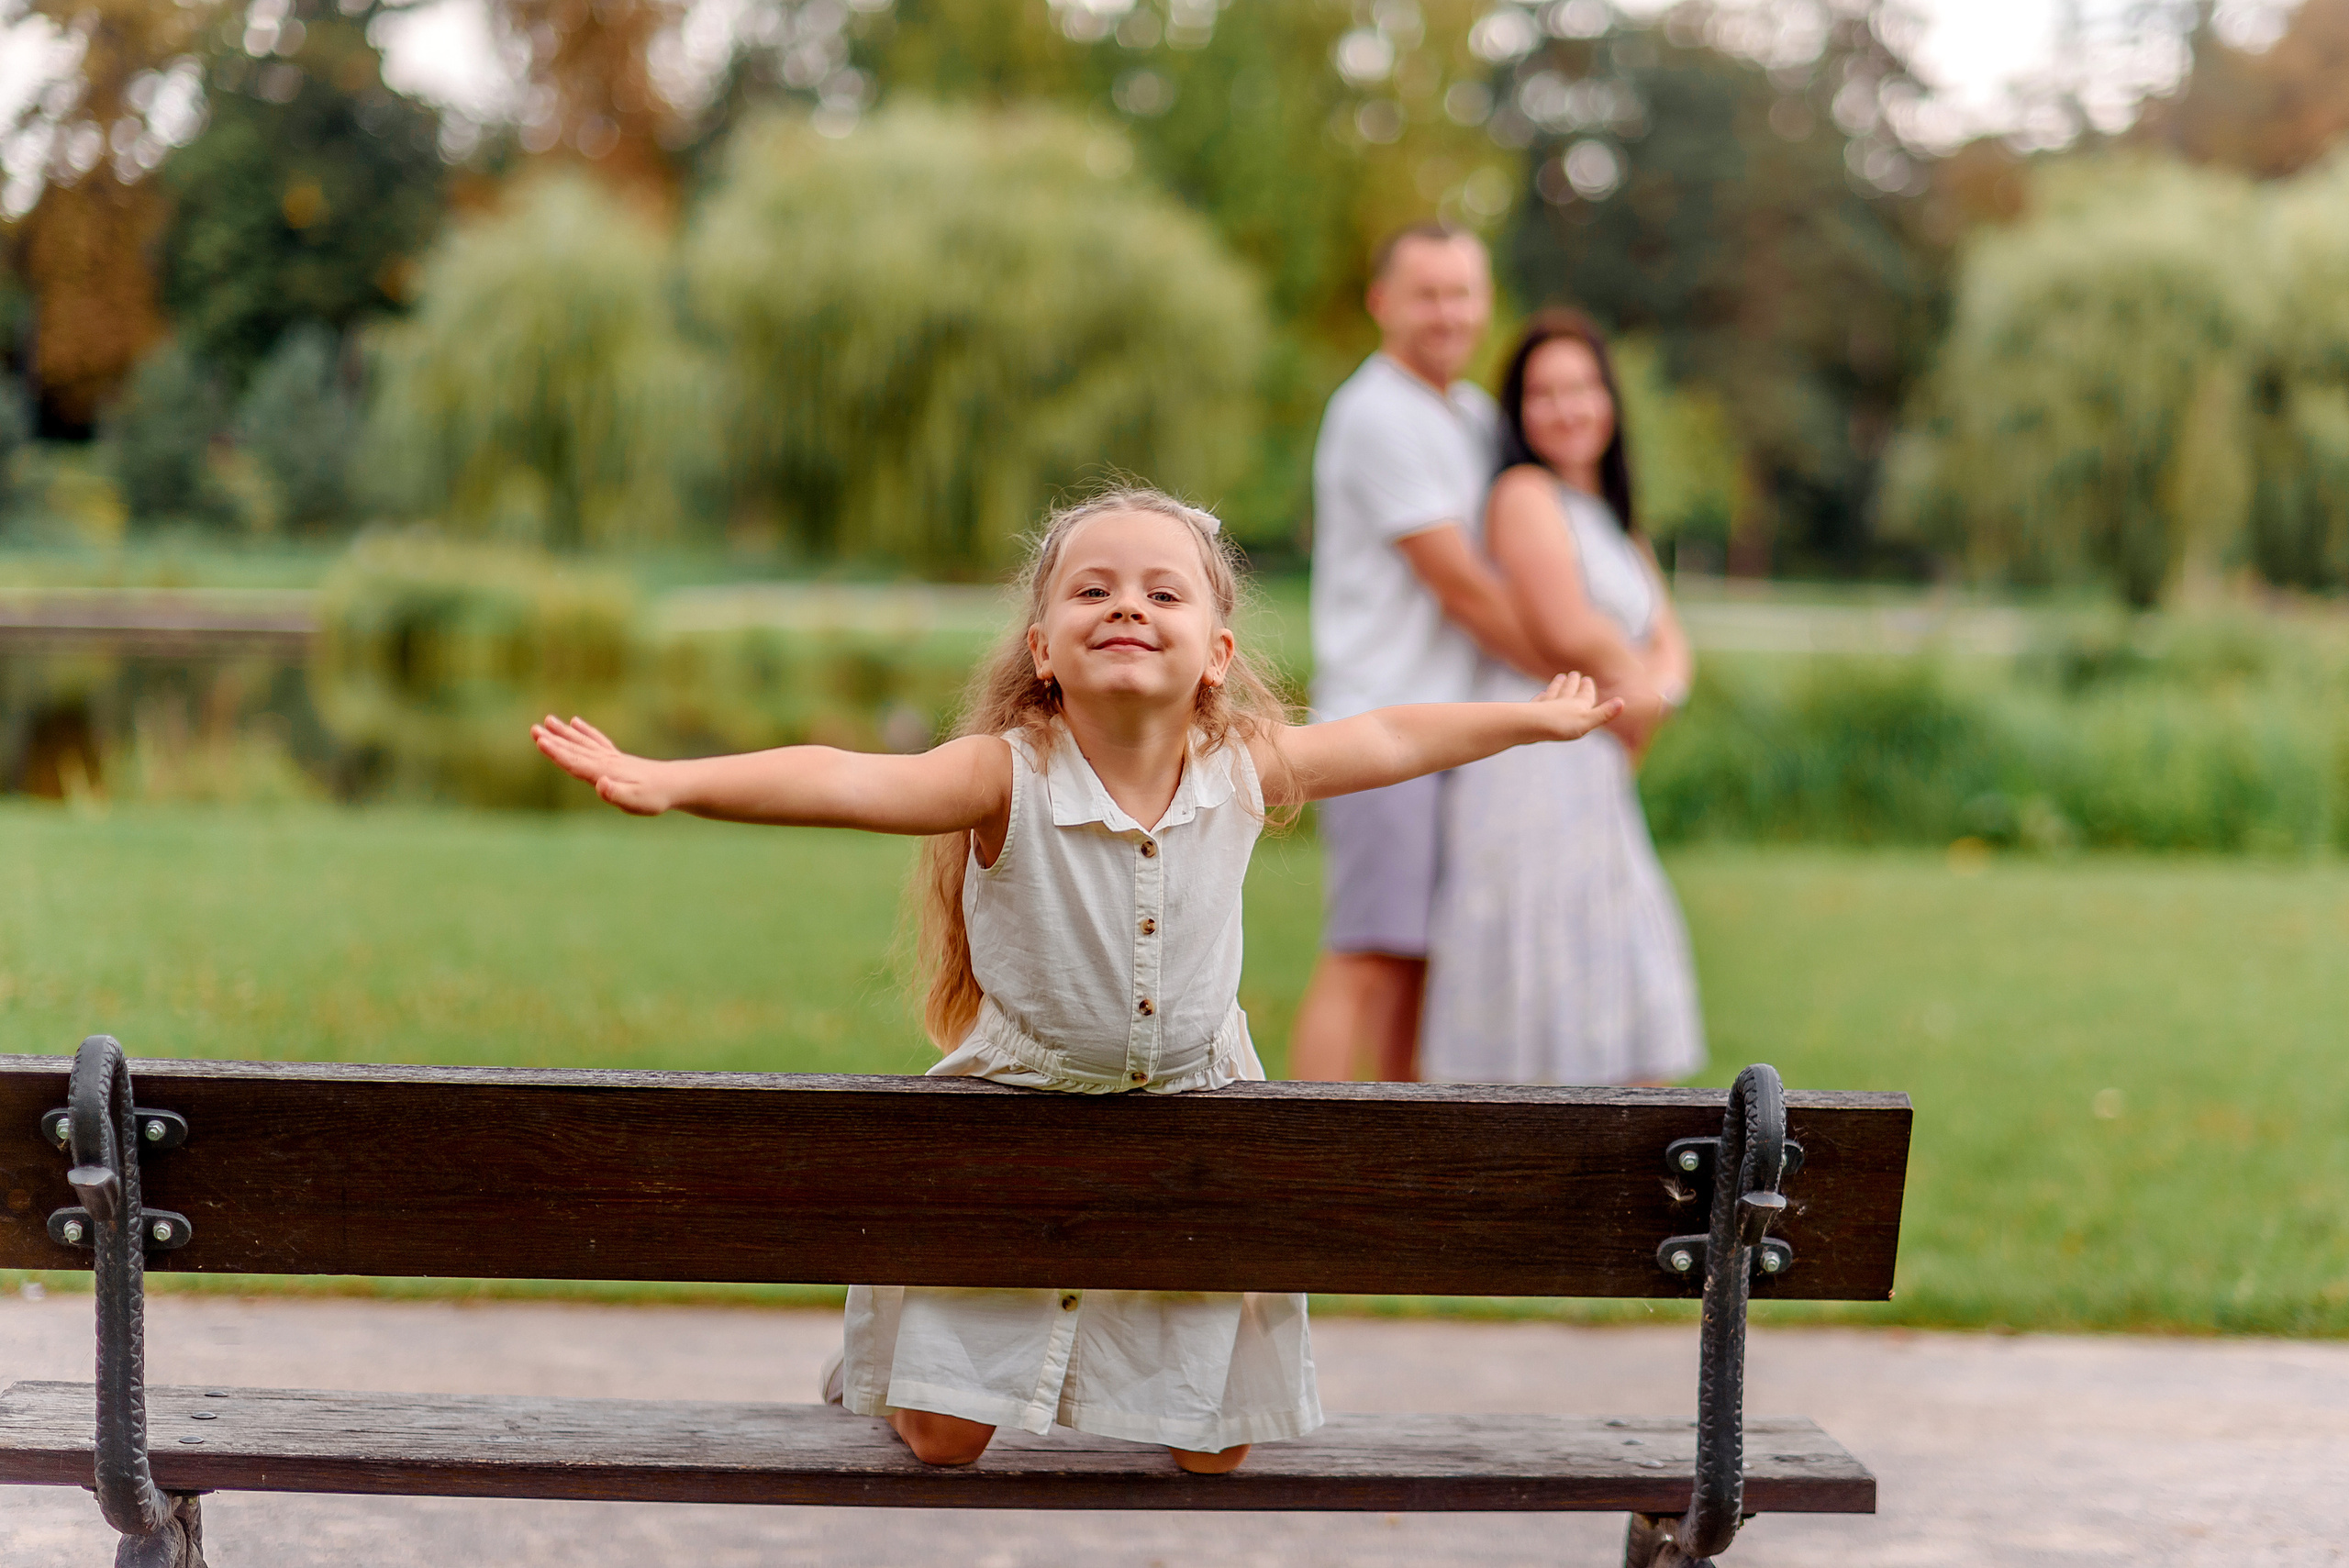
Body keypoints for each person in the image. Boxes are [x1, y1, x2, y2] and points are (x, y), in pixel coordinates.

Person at [532, 486, 1621, 1473]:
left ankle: (1094, 1376)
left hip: (1194, 1121)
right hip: (1018, 1120)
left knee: (1217, 1449)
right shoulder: (1004, 773)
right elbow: (846, 777)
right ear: (1043, 649)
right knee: (948, 1439)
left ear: (1215, 654)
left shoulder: (1241, 767)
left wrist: (1532, 718)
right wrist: (672, 779)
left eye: (1162, 591)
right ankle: (912, 1370)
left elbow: (1389, 733)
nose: (1126, 606)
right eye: (1092, 590)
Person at [1290, 222, 1558, 1084]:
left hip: (1453, 732)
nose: (1447, 312)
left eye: (1462, 293)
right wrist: (1562, 680)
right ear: (1382, 302)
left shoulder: (1475, 417)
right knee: (1368, 953)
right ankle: (1298, 1150)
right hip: (1380, 726)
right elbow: (1464, 585)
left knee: (1423, 962)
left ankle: (1396, 1155)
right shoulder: (1374, 413)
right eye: (1427, 293)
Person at [1421, 312, 1705, 1088]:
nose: (1567, 407)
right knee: (1536, 952)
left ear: (1608, 400)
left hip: (1598, 763)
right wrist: (1640, 695)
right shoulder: (1523, 493)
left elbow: (1671, 638)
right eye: (1544, 393)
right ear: (1520, 413)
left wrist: (1656, 693)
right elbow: (1568, 626)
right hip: (1534, 759)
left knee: (1610, 962)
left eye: (1581, 388)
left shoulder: (1613, 518)